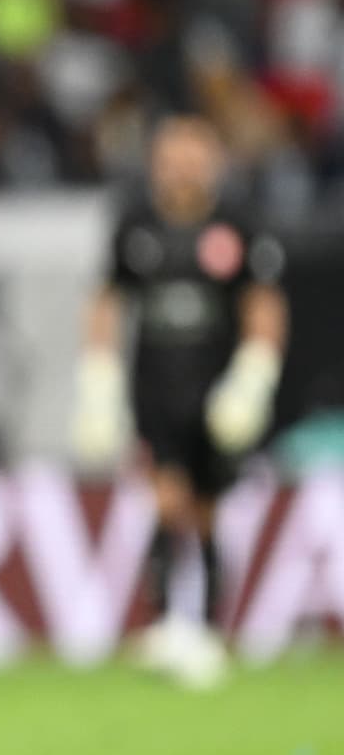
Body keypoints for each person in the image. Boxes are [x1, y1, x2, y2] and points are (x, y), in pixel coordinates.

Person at [72, 116, 286, 690]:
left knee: (211, 510)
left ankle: (211, 632)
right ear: (156, 164)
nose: (183, 169)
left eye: (194, 157)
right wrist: (97, 383)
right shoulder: (135, 224)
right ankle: (166, 625)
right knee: (165, 502)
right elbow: (107, 300)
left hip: (215, 390)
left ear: (212, 162)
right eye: (173, 158)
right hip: (156, 386)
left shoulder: (237, 224)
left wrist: (253, 377)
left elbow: (263, 304)